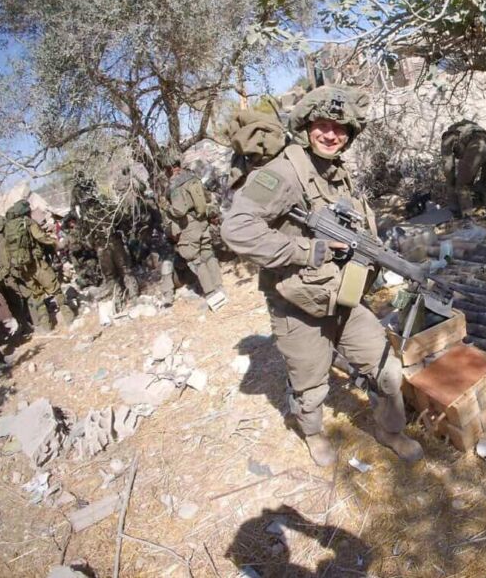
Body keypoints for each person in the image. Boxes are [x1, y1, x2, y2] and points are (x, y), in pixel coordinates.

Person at [221, 85, 423, 467]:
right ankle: (313, 435)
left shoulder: (336, 173)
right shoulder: (284, 171)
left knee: (388, 370)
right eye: (323, 125)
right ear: (306, 125)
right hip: (296, 305)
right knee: (310, 387)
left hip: (342, 299)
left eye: (341, 128)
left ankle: (389, 430)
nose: (331, 135)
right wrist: (303, 251)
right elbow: (237, 229)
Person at [159, 149, 226, 310]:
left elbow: (179, 210)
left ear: (168, 168)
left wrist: (166, 206)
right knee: (208, 254)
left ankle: (211, 295)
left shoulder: (174, 185)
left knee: (196, 260)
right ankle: (219, 288)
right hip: (202, 222)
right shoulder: (192, 177)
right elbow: (208, 198)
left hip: (188, 226)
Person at [3, 199, 73, 332]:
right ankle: (69, 318)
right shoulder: (27, 222)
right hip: (37, 264)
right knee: (55, 289)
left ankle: (46, 327)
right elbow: (40, 237)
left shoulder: (8, 228)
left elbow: (7, 251)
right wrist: (56, 243)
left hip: (24, 269)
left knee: (37, 296)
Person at [70, 172, 139, 307]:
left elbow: (83, 232)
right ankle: (134, 296)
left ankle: (118, 300)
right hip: (114, 241)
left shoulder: (85, 215)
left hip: (101, 246)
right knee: (125, 270)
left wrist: (90, 243)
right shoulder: (105, 205)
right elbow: (121, 218)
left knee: (110, 276)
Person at [440, 120, 486, 223]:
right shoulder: (471, 129)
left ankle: (468, 220)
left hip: (476, 148)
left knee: (463, 185)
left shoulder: (448, 138)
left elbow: (448, 166)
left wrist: (452, 182)